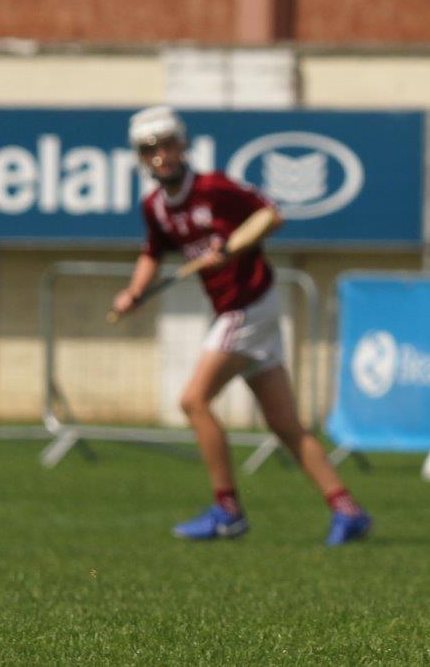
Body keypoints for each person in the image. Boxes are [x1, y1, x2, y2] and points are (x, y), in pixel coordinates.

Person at [112, 106, 371, 546]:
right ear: (141, 157)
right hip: (242, 313)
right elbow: (153, 253)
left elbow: (271, 214)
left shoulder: (215, 188)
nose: (162, 157)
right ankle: (346, 509)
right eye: (151, 150)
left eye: (168, 145)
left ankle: (227, 509)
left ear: (183, 145)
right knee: (286, 427)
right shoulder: (154, 206)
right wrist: (134, 292)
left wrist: (230, 250)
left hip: (247, 306)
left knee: (193, 401)